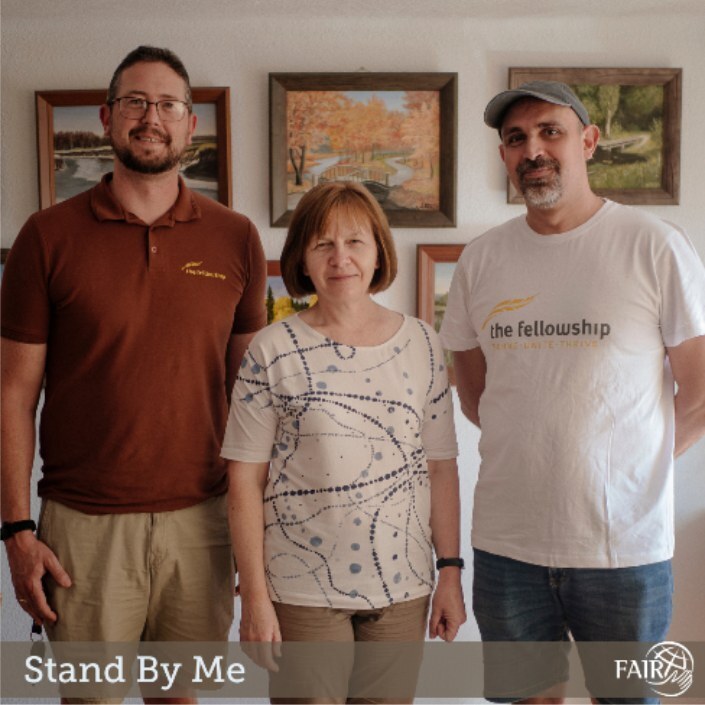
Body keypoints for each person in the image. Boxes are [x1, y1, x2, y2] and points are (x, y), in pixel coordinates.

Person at [1, 46, 266, 702]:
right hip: (82, 527)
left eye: (169, 104)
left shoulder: (236, 238)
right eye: (135, 102)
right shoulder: (45, 235)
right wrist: (15, 530)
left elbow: (253, 401)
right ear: (106, 117)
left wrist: (259, 533)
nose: (152, 117)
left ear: (190, 125)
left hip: (202, 523)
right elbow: (12, 393)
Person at [440, 81, 705, 705]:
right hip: (508, 545)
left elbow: (697, 393)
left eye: (549, 131)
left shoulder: (653, 245)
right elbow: (476, 392)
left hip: (625, 549)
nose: (532, 149)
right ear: (504, 156)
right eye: (515, 139)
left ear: (588, 141)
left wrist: (628, 472)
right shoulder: (481, 260)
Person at [222, 181, 466, 704]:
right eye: (322, 244)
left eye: (355, 241)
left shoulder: (423, 342)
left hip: (404, 586)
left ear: (378, 251)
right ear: (302, 260)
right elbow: (243, 478)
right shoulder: (271, 349)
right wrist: (255, 599)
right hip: (301, 588)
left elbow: (442, 468)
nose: (341, 258)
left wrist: (450, 572)